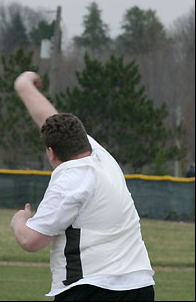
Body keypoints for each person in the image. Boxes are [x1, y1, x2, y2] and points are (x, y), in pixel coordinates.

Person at [11, 71, 155, 301]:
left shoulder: (70, 180)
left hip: (90, 289)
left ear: (51, 152)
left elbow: (31, 240)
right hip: (139, 286)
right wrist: (24, 85)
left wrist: (19, 220)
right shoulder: (100, 155)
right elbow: (47, 116)